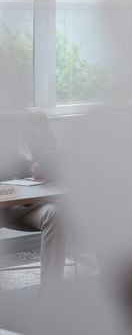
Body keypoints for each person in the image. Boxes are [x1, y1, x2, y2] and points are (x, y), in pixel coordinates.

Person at [0, 110, 68, 290]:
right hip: (6, 207)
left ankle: (51, 294)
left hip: (26, 205)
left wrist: (43, 129)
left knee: (55, 213)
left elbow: (45, 159)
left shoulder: (22, 130)